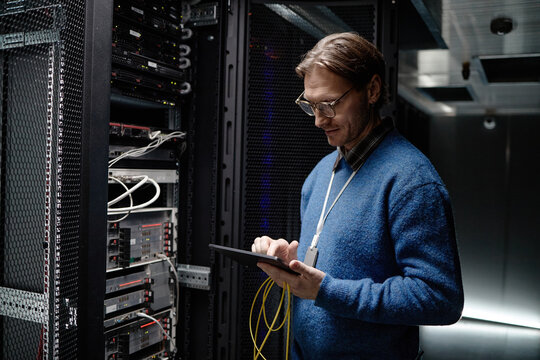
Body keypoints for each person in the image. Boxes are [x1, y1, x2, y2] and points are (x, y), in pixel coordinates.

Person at [251, 32, 464, 360]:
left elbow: (439, 298)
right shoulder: (320, 174)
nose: (320, 120)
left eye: (330, 105)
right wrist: (289, 265)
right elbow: (329, 265)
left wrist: (326, 290)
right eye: (310, 105)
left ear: (372, 90)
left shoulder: (411, 181)